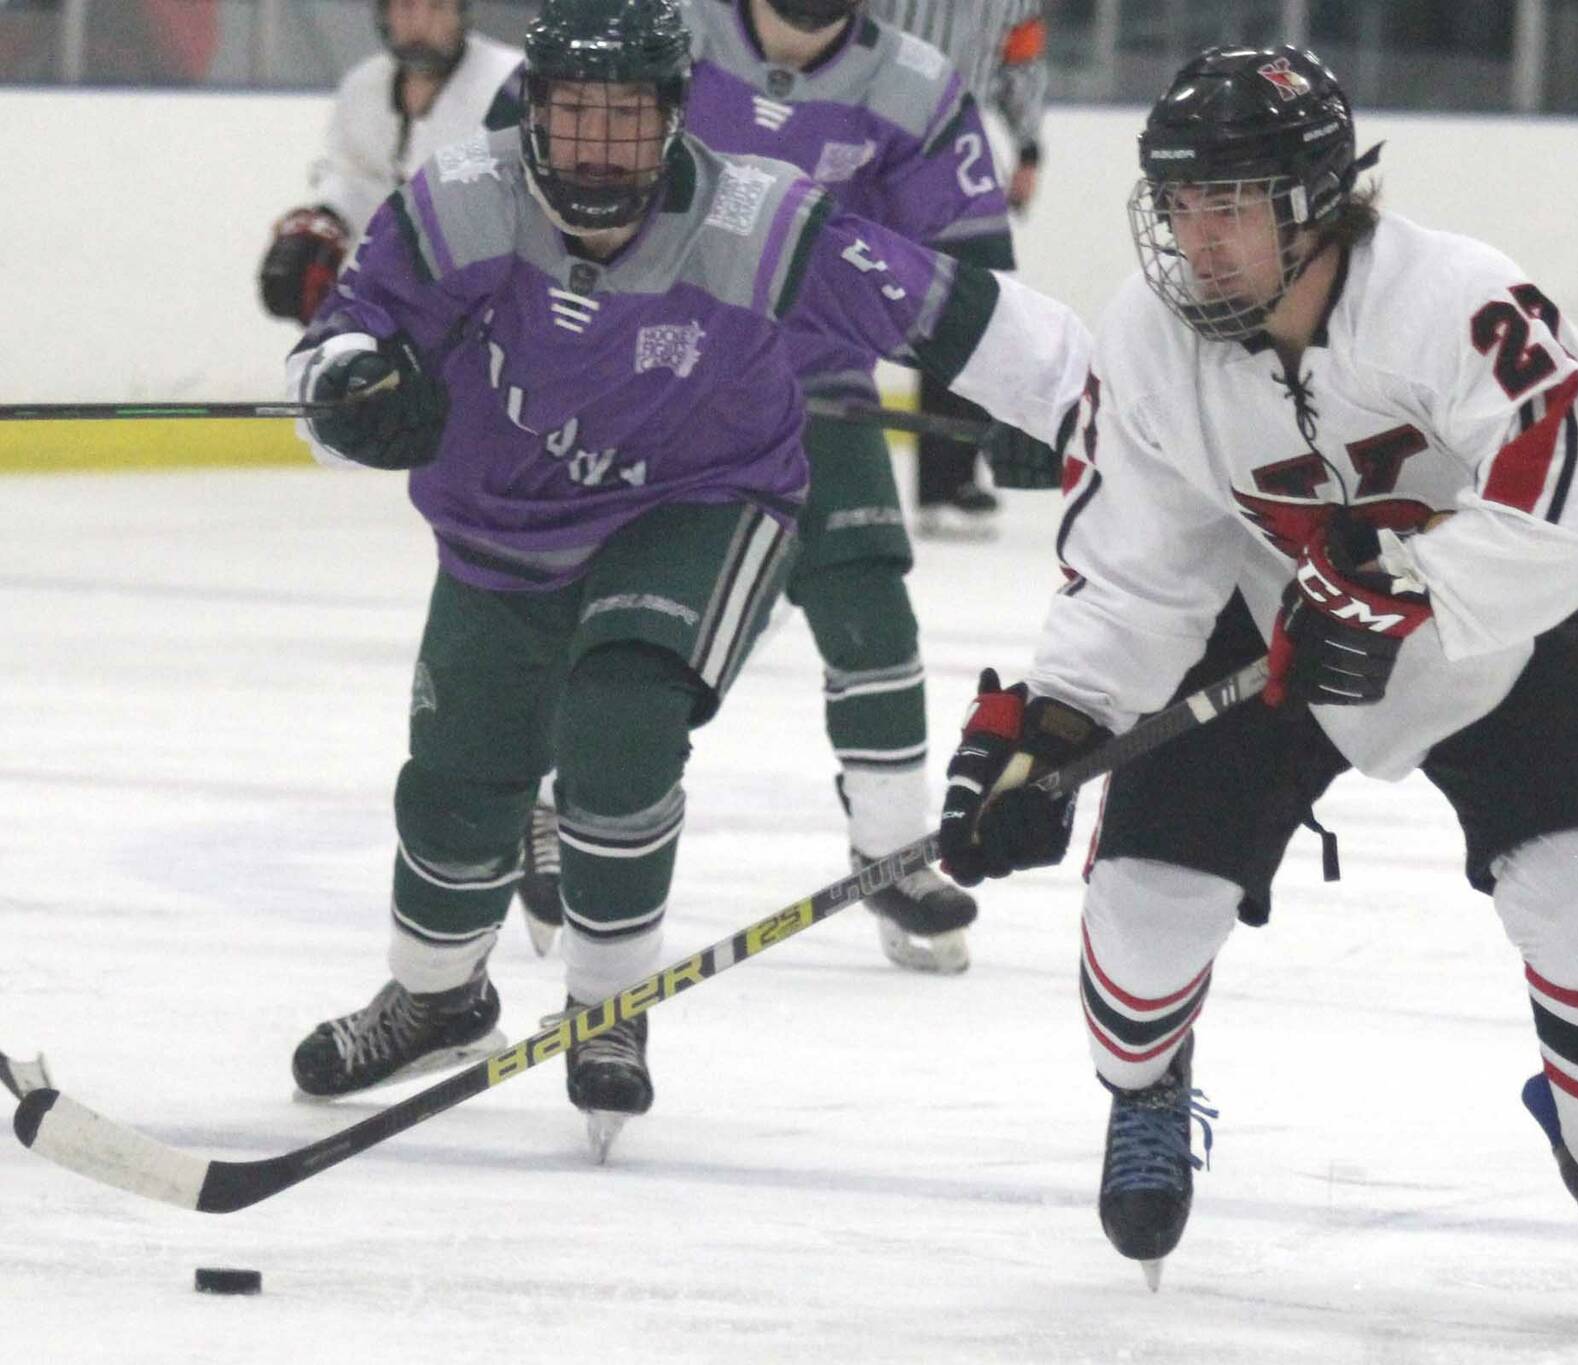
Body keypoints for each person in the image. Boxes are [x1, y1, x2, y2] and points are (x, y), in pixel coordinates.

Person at [936, 45, 1578, 1330]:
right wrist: (1057, 726)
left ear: (1316, 200)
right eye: (1180, 208)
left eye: (1232, 207)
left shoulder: (1459, 303)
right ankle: (1150, 1086)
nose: (1197, 244)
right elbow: (1138, 575)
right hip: (1262, 632)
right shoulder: (1148, 347)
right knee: (1140, 940)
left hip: (1490, 646)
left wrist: (1415, 587)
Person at [283, 0, 1087, 1161]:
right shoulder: (458, 196)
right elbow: (348, 331)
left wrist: (1077, 406)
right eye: (573, 119)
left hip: (701, 502)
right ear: (532, 117)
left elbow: (938, 299)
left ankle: (609, 1010)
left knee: (621, 718)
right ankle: (436, 995)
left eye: (626, 120)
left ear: (675, 116)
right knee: (461, 780)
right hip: (504, 521)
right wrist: (350, 390)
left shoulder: (754, 218)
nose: (597, 148)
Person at [512, 0, 1024, 976]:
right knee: (625, 619)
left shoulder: (912, 84)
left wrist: (1005, 391)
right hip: (653, 379)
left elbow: (966, 259)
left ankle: (892, 850)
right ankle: (548, 807)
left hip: (813, 389)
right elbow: (510, 175)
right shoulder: (655, 39)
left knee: (866, 600)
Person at [866, 0, 1049, 539]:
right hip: (856, 138)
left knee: (961, 305)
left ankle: (948, 482)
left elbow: (1020, 65)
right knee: (816, 296)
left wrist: (1029, 147)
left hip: (951, 155)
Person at [258, 0, 522, 325]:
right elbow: (355, 178)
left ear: (460, 13)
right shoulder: (362, 86)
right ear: (385, 14)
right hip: (398, 305)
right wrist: (330, 220)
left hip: (493, 306)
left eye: (437, 7)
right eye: (407, 6)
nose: (421, 23)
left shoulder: (511, 85)